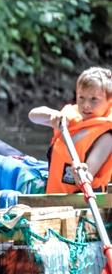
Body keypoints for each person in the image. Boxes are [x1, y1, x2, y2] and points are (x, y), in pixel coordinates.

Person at [29, 65, 112, 193]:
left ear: (109, 100)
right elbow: (33, 116)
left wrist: (83, 173)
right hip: (54, 192)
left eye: (94, 99)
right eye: (81, 98)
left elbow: (88, 174)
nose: (86, 105)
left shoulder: (107, 136)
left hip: (77, 200)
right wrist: (51, 114)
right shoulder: (70, 117)